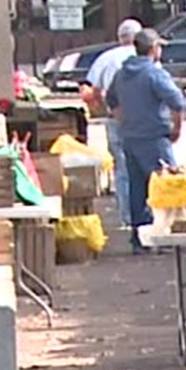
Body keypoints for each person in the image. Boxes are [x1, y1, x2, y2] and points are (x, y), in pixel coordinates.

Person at [104, 27, 185, 254]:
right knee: (166, 186)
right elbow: (177, 102)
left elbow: (111, 101)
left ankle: (138, 238)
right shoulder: (154, 74)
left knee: (137, 188)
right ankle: (166, 237)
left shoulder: (122, 73)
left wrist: (125, 121)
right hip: (154, 137)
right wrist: (177, 128)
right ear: (153, 49)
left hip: (130, 137)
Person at [82, 16, 142, 240]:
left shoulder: (106, 58)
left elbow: (93, 90)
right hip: (143, 119)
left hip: (115, 117)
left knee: (122, 168)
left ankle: (127, 216)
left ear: (120, 38)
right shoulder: (144, 56)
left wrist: (102, 105)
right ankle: (146, 217)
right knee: (146, 167)